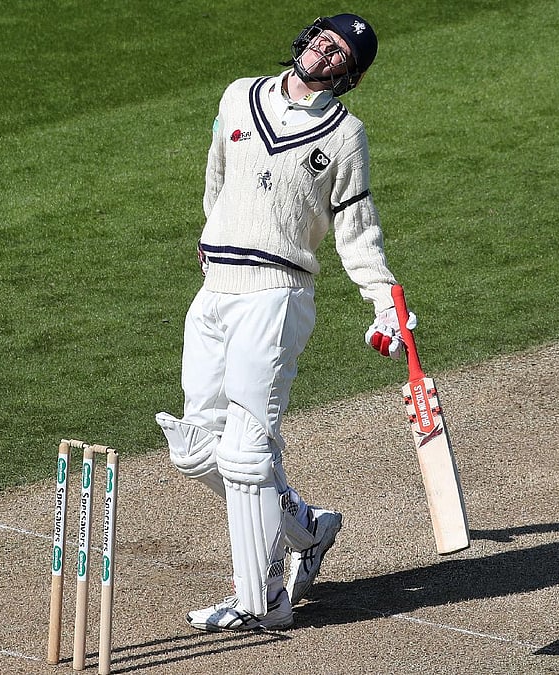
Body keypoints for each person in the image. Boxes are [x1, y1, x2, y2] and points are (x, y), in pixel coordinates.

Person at [155, 13, 415, 632]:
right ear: (306, 41)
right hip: (216, 288)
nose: (327, 54)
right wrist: (209, 234)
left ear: (348, 76)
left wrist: (385, 300)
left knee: (247, 455)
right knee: (196, 448)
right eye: (324, 41)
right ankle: (308, 527)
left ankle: (263, 601)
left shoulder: (346, 135)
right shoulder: (238, 96)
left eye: (342, 56)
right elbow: (217, 175)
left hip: (277, 294)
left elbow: (357, 228)